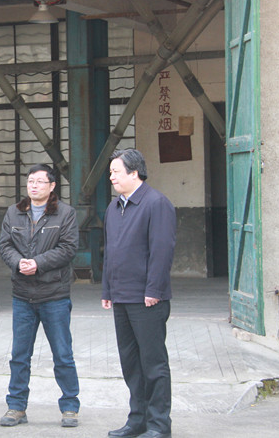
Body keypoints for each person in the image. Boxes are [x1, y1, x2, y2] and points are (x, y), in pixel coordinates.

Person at [0, 164, 80, 429]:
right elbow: (4, 245)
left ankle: (70, 407)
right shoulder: (14, 212)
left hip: (54, 295)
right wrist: (18, 262)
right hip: (22, 295)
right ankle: (16, 406)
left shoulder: (65, 213)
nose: (34, 186)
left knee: (62, 354)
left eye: (40, 182)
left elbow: (68, 248)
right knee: (19, 355)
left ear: (52, 186)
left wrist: (38, 263)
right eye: (30, 181)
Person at [102, 149, 176, 438]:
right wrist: (108, 289)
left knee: (153, 363)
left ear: (134, 173)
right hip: (121, 296)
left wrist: (154, 289)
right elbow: (110, 252)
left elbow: (162, 250)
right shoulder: (114, 207)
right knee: (131, 363)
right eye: (110, 172)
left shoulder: (156, 203)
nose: (111, 177)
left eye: (116, 172)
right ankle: (138, 420)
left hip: (147, 299)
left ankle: (159, 425)